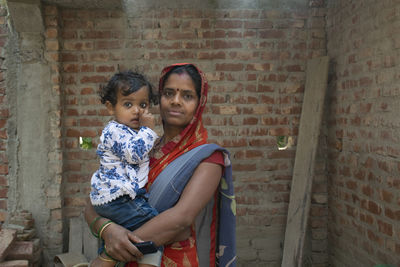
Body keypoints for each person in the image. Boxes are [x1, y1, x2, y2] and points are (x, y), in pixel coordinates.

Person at [85, 63, 236, 267]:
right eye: (169, 93)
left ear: (200, 103)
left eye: (187, 96)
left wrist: (109, 256)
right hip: (127, 257)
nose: (176, 101)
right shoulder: (138, 148)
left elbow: (179, 220)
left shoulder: (208, 158)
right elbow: (95, 203)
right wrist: (108, 231)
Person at [89, 70, 162, 267]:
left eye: (143, 105)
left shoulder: (131, 131)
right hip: (118, 200)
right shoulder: (114, 130)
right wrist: (148, 130)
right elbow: (134, 154)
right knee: (155, 229)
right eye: (128, 104)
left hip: (117, 198)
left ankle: (105, 258)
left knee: (121, 241)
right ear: (110, 107)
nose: (137, 110)